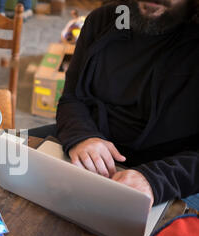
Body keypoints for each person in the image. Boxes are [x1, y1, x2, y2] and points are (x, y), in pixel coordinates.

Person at [33, 0, 198, 209]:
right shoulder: (103, 20)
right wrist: (83, 136)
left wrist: (156, 180)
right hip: (89, 143)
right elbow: (73, 97)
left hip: (173, 172)